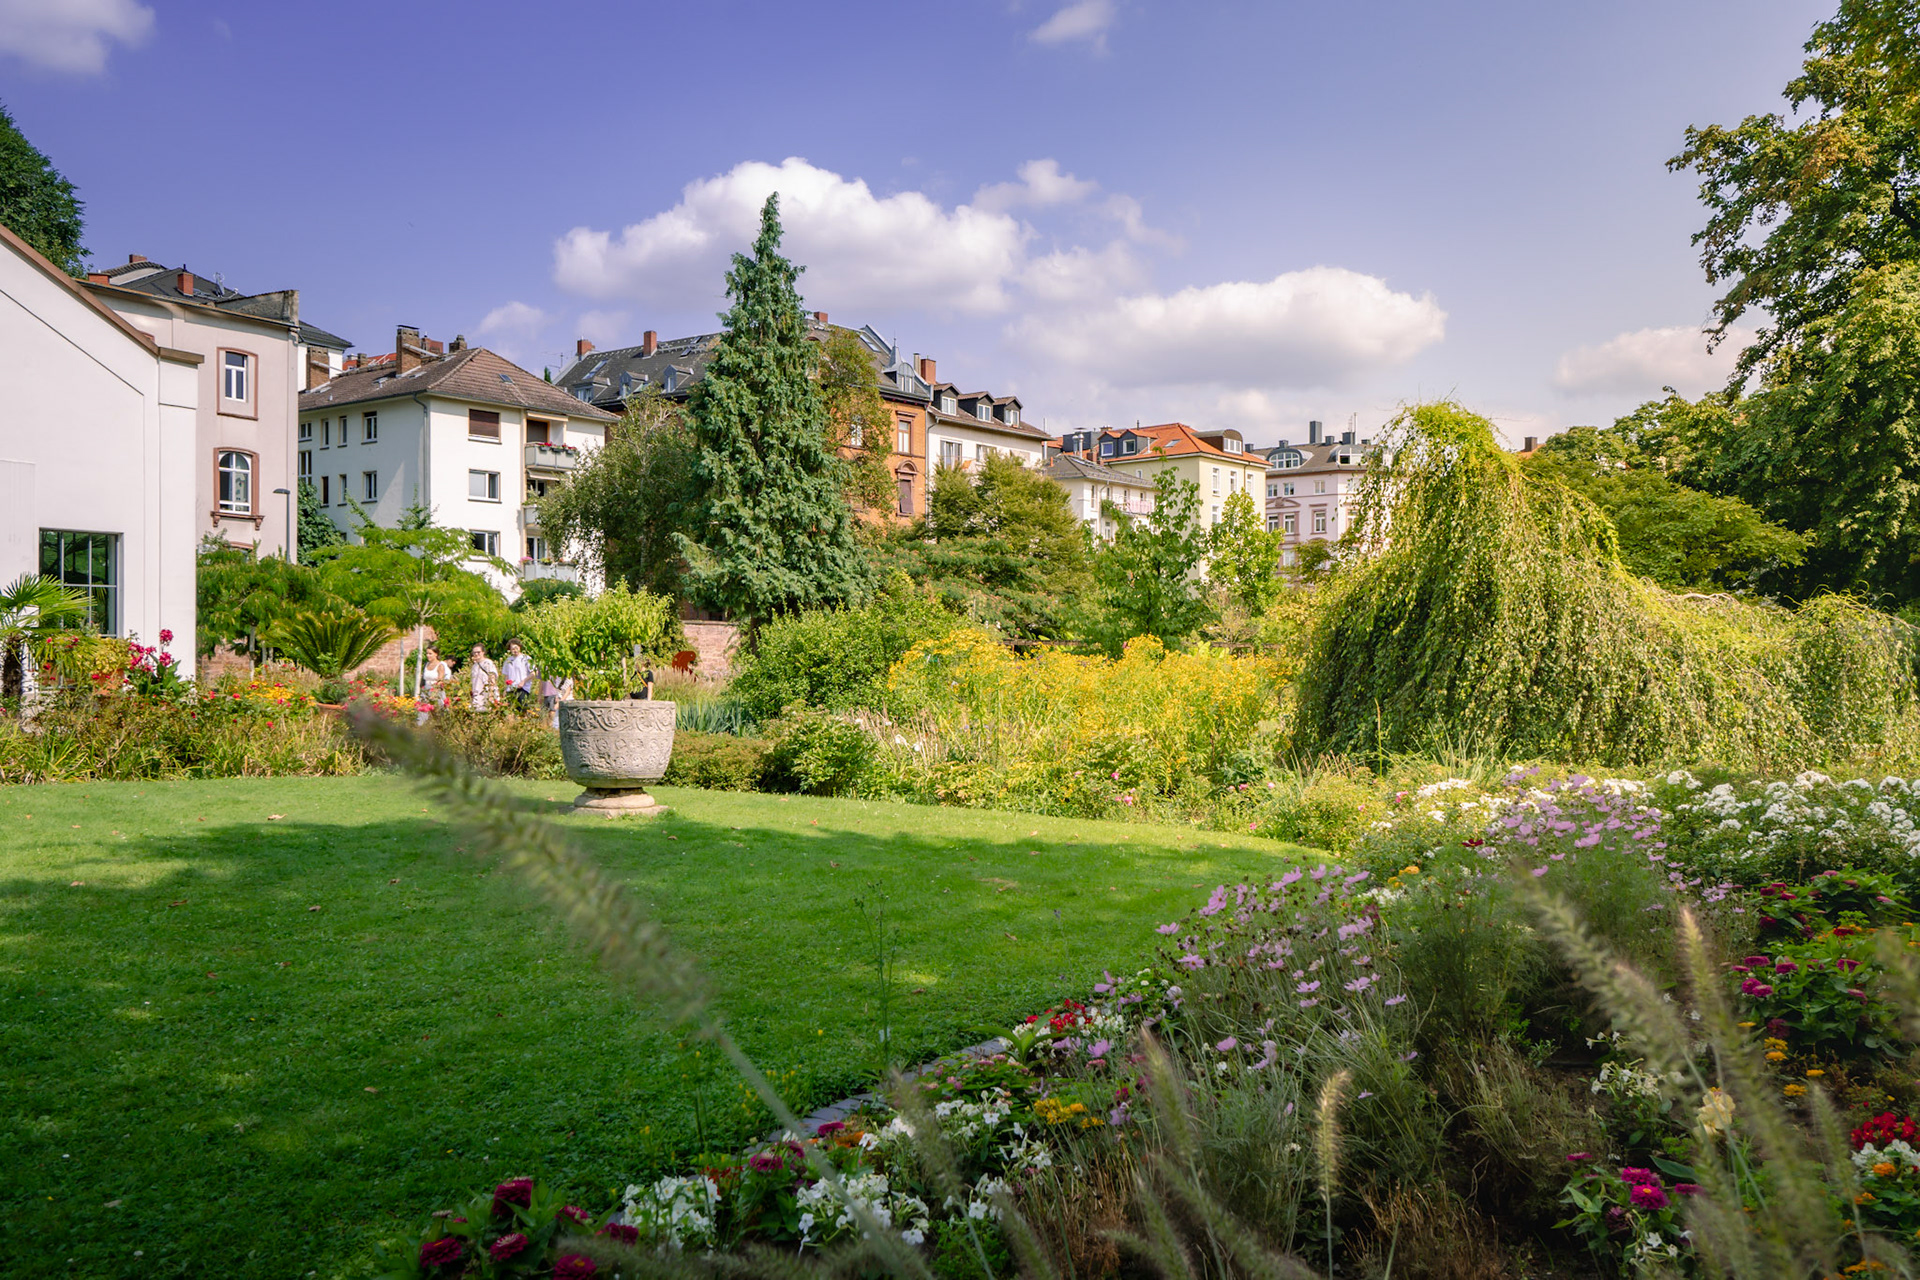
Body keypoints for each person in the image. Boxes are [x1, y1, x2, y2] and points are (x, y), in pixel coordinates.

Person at [502, 638, 535, 711]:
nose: (515, 650)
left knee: (522, 709)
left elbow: (533, 673)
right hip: (511, 689)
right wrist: (505, 689)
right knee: (510, 710)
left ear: (520, 647)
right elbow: (506, 676)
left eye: (516, 648)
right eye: (512, 649)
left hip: (523, 688)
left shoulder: (526, 658)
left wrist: (523, 681)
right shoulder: (508, 660)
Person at [419, 646, 452, 710]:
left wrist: (433, 694)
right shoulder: (426, 665)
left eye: (430, 654)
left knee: (437, 710)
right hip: (426, 691)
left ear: (436, 654)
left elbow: (440, 681)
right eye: (427, 653)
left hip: (436, 692)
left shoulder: (440, 666)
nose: (428, 655)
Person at [468, 643, 500, 710]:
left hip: (487, 693)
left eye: (478, 652)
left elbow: (492, 678)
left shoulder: (488, 663)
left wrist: (491, 694)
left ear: (483, 652)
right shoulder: (474, 666)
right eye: (474, 653)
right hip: (477, 694)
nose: (476, 654)